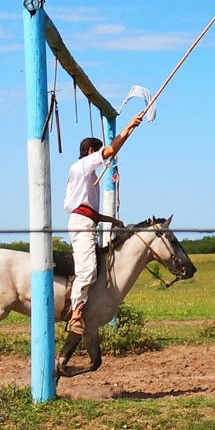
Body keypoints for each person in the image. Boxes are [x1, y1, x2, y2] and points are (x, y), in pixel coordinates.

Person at [63, 136, 122, 334]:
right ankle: (76, 315)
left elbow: (90, 211)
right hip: (82, 224)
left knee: (93, 265)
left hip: (87, 221)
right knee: (88, 269)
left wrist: (111, 220)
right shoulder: (82, 166)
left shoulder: (86, 177)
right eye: (98, 151)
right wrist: (130, 126)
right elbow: (110, 152)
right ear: (91, 152)